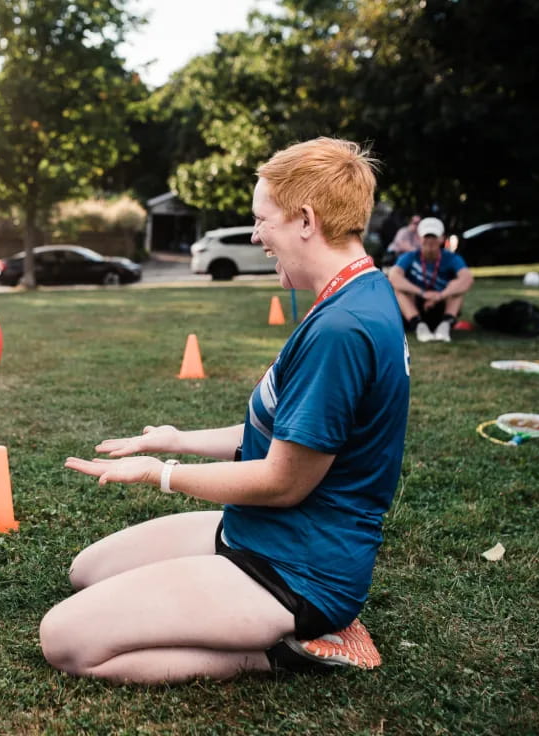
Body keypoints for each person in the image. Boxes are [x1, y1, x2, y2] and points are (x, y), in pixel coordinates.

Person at [39, 138, 410, 684]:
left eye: (263, 221)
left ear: (305, 220)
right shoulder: (356, 294)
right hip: (260, 531)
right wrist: (174, 439)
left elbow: (283, 480)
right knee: (86, 572)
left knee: (67, 641)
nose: (257, 236)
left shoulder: (341, 329)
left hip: (297, 569)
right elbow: (291, 436)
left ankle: (296, 649)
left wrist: (160, 474)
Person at [387, 216, 474, 343]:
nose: (430, 240)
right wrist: (422, 293)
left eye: (434, 236)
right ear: (419, 238)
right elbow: (393, 277)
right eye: (427, 236)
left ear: (442, 238)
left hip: (441, 305)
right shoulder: (409, 257)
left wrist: (440, 295)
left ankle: (445, 326)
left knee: (457, 286)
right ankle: (419, 326)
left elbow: (467, 279)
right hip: (415, 307)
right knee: (399, 289)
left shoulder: (452, 258)